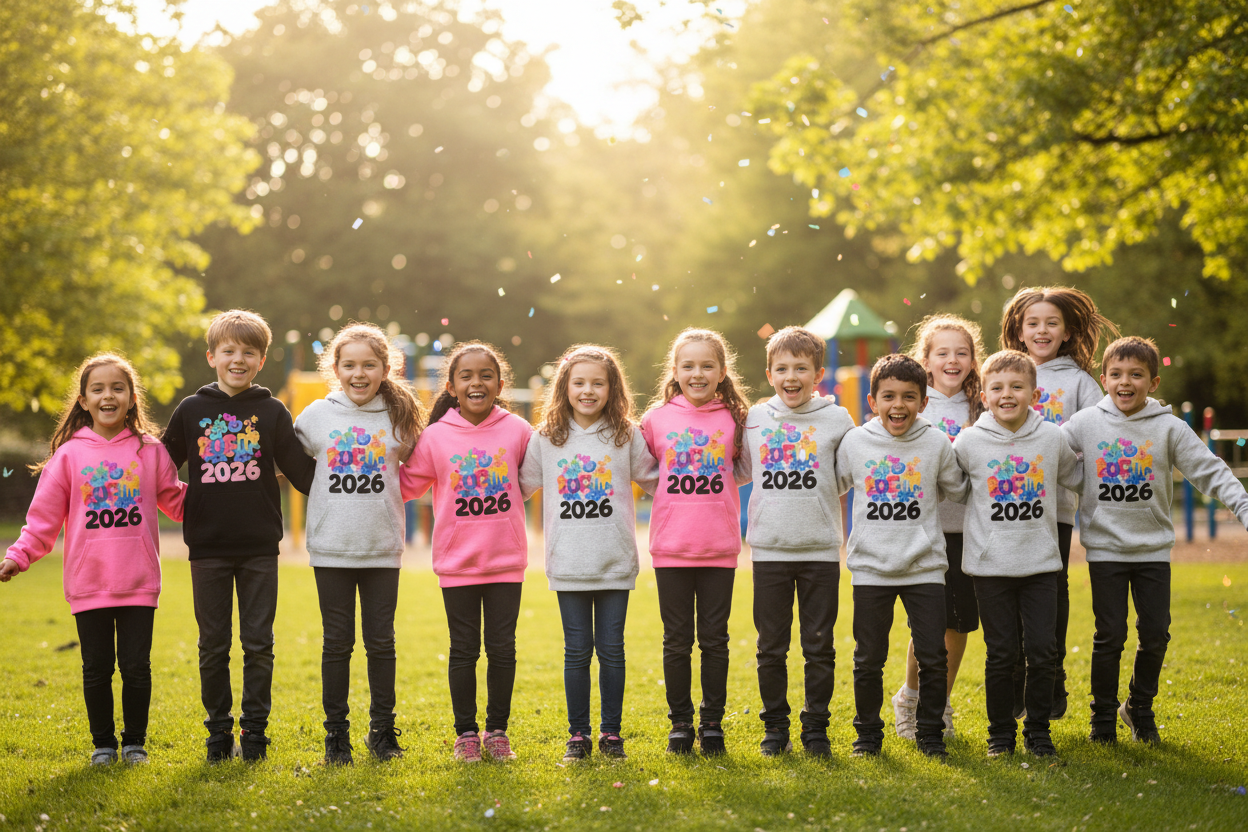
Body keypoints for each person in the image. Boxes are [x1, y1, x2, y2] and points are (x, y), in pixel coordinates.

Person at [2, 354, 186, 765]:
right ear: (84, 400)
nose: (108, 395)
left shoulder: (150, 451)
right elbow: (43, 520)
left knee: (137, 668)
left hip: (139, 581)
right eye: (98, 389)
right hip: (89, 582)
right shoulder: (69, 456)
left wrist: (224, 491)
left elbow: (177, 501)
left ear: (132, 398)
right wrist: (19, 555)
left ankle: (135, 743)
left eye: (117, 388)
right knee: (97, 669)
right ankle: (103, 745)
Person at [1063, 336, 1248, 744]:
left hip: (1152, 551)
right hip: (1106, 550)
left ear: (1154, 381)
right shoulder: (1085, 423)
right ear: (1103, 378)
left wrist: (1244, 506)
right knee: (1109, 634)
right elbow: (1050, 456)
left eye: (1135, 375)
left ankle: (1139, 707)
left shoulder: (1169, 428)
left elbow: (1210, 471)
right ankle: (1103, 719)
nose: (1124, 382)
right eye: (1116, 374)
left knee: (1156, 633)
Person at [162, 309, 316, 762]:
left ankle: (255, 733)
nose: (238, 359)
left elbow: (303, 474)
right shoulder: (191, 411)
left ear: (261, 360)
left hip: (259, 549)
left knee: (258, 644)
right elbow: (156, 468)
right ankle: (217, 734)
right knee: (213, 645)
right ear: (212, 356)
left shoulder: (271, 411)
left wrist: (350, 460)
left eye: (248, 352)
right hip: (207, 548)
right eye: (229, 351)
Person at [519, 345, 658, 762]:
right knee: (576, 651)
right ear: (564, 387)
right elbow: (518, 487)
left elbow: (658, 481)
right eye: (579, 382)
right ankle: (578, 735)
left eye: (598, 383)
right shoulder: (545, 438)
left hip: (615, 562)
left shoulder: (626, 435)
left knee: (612, 649)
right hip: (568, 563)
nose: (588, 390)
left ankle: (611, 734)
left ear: (612, 388)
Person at [295, 323, 424, 765]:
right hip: (331, 548)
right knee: (336, 644)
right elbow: (286, 464)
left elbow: (418, 470)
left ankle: (382, 732)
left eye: (369, 365)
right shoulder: (315, 416)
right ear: (335, 369)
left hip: (382, 548)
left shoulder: (400, 416)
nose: (359, 373)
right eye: (349, 365)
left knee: (381, 643)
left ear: (386, 369)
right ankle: (337, 737)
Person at [400, 341, 532, 762]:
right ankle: (466, 735)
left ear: (500, 383)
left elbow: (527, 483)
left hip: (506, 562)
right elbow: (407, 484)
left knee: (503, 648)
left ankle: (497, 732)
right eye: (467, 376)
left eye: (485, 375)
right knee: (463, 649)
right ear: (453, 386)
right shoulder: (436, 436)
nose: (477, 382)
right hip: (457, 564)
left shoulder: (518, 430)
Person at [836, 354, 968, 760]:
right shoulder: (854, 443)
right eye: (888, 396)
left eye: (909, 397)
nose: (899, 405)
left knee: (933, 654)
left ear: (924, 402)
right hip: (871, 567)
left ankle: (930, 732)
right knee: (867, 658)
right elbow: (835, 484)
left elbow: (956, 489)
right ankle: (867, 737)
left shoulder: (936, 442)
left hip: (925, 566)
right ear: (872, 401)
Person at [952, 349, 1083, 758]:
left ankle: (1039, 732)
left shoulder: (1052, 438)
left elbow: (1075, 475)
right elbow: (954, 489)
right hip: (990, 568)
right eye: (997, 387)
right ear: (984, 394)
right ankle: (1001, 736)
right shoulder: (969, 442)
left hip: (1041, 565)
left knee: (1043, 651)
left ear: (1033, 392)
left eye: (1016, 387)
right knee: (1002, 654)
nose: (1006, 394)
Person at [1000, 286, 1118, 718]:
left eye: (1052, 323)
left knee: (1050, 589)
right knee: (1006, 590)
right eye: (1032, 323)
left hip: (1055, 507)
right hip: (1006, 503)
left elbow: (1102, 432)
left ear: (1067, 331)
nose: (1042, 330)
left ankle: (1049, 679)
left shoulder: (1079, 383)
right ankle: (1014, 678)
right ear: (1018, 329)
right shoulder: (1003, 372)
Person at [743, 326, 854, 758]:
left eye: (801, 368)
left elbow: (844, 475)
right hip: (769, 550)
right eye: (783, 368)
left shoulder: (837, 419)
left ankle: (816, 729)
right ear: (769, 373)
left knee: (818, 646)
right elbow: (741, 469)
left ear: (818, 373)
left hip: (820, 551)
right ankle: (775, 729)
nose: (792, 376)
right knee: (770, 647)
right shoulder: (753, 419)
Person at [641, 328, 751, 755]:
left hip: (719, 548)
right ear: (675, 371)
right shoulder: (656, 419)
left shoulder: (736, 419)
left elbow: (742, 469)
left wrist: (718, 492)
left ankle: (713, 724)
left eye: (707, 366)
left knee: (715, 640)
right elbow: (647, 468)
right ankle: (681, 724)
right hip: (671, 548)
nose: (698, 373)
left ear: (723, 372)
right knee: (676, 640)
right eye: (688, 366)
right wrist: (671, 492)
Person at [894, 315, 986, 740]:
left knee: (960, 623)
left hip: (969, 532)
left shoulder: (983, 406)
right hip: (923, 529)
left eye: (962, 352)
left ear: (973, 360)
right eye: (942, 352)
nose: (953, 360)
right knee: (927, 625)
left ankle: (940, 703)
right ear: (926, 360)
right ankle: (910, 699)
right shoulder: (910, 402)